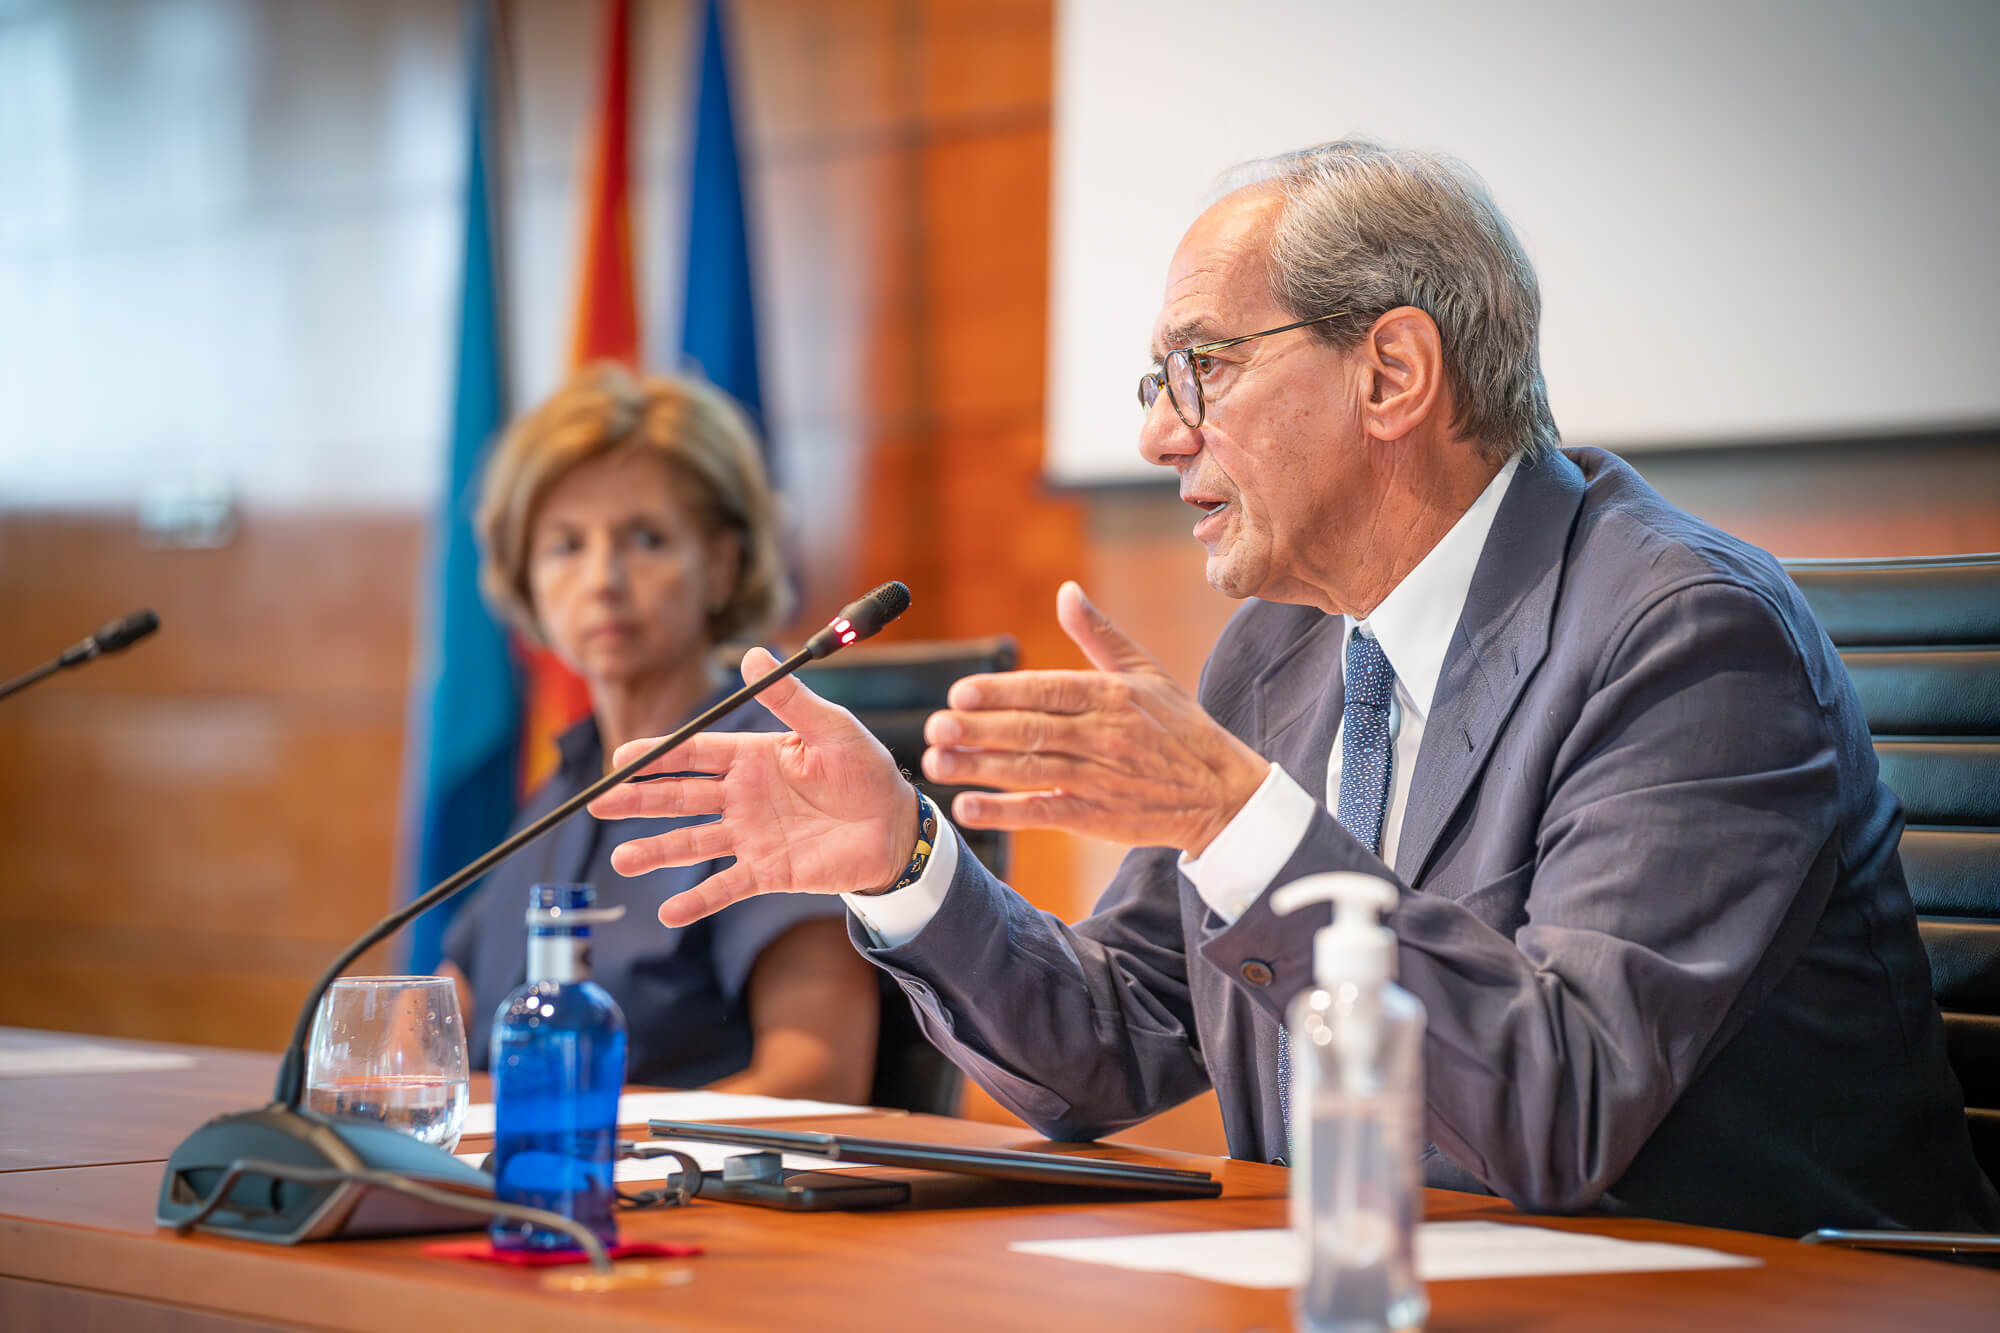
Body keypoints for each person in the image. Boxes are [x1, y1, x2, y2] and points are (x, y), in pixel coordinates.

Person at [587, 142, 1999, 1235]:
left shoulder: (1685, 641)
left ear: (1391, 372)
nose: (1160, 433)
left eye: (1199, 368)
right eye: (1156, 381)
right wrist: (904, 861)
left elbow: (1560, 1104)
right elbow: (1113, 1041)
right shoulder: (1285, 648)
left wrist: (1240, 821)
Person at [439, 362, 879, 1100]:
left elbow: (821, 1077)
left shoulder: (780, 773)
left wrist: (602, 1143)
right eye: (566, 546)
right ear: (528, 579)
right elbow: (442, 1015)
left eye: (645, 538)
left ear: (721, 563)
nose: (603, 580)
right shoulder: (565, 782)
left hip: (684, 1173)